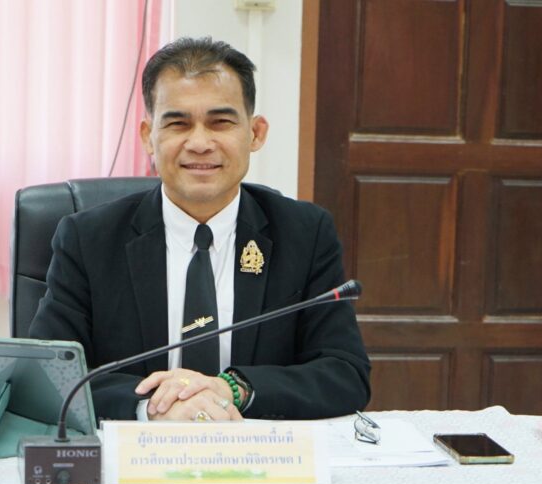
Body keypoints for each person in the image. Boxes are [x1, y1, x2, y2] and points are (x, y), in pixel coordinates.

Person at [28, 37, 370, 422]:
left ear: (255, 133)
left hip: (256, 447)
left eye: (220, 122)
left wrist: (234, 389)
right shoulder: (88, 239)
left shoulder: (305, 234)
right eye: (178, 124)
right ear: (148, 137)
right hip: (138, 448)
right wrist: (153, 406)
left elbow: (345, 373)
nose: (200, 143)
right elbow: (46, 375)